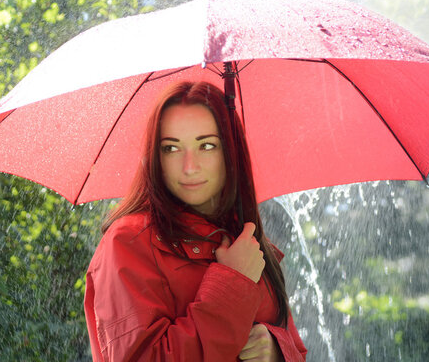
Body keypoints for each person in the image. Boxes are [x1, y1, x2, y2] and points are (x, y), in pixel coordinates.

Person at [84, 81, 307, 361]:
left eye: (207, 145)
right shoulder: (128, 242)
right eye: (172, 148)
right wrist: (232, 284)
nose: (189, 167)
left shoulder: (247, 243)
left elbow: (297, 349)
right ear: (156, 156)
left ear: (231, 151)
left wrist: (276, 350)